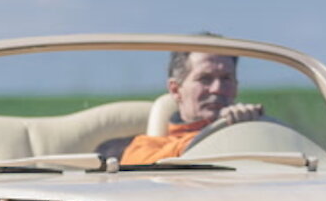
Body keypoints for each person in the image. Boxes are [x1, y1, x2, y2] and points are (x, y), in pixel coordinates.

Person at [108, 48, 264, 165]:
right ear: (176, 90)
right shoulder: (148, 148)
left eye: (226, 79)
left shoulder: (257, 130)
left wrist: (248, 129)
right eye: (205, 79)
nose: (217, 88)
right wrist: (219, 138)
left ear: (236, 86)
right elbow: (135, 165)